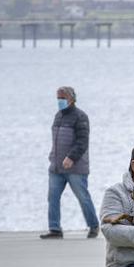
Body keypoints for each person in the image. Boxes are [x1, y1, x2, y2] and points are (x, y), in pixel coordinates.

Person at [41, 86, 99, 239]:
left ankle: (93, 226)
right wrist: (53, 156)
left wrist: (71, 158)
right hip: (56, 167)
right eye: (58, 98)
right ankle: (55, 229)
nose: (60, 101)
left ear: (71, 99)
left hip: (76, 168)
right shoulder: (58, 116)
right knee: (52, 197)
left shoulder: (80, 117)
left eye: (62, 98)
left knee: (83, 197)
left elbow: (82, 142)